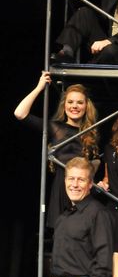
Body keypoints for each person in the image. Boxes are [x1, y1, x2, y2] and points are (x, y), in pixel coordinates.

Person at [14, 71, 99, 229]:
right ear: (64, 105)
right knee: (61, 233)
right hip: (61, 186)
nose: (74, 106)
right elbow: (20, 113)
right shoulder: (55, 127)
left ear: (86, 106)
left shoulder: (92, 132)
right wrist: (40, 87)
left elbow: (96, 163)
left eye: (79, 103)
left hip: (83, 187)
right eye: (70, 102)